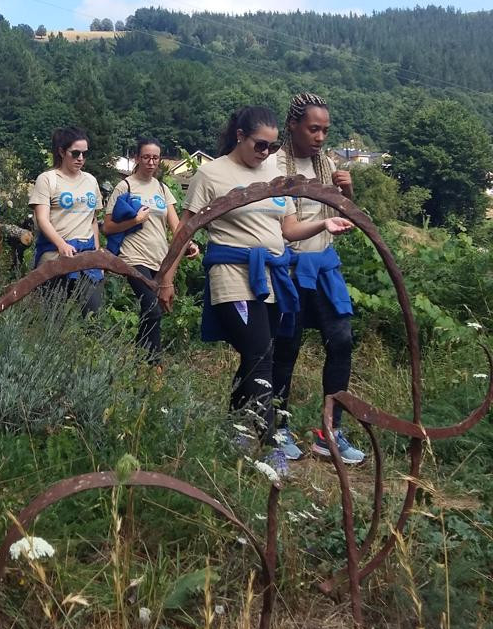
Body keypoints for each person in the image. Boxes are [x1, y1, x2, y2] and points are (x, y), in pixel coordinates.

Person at [158, 105, 353, 472]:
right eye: (259, 145)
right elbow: (185, 229)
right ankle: (269, 445)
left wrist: (324, 227)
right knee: (260, 353)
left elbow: (289, 229)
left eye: (271, 145)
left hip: (273, 279)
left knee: (257, 355)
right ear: (240, 137)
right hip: (233, 274)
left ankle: (235, 428)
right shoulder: (212, 173)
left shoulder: (275, 174)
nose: (265, 152)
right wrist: (165, 278)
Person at [271, 91, 365, 465]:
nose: (320, 137)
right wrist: (323, 221)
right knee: (286, 349)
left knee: (341, 340)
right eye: (314, 129)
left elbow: (349, 216)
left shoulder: (326, 165)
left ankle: (330, 431)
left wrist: (347, 192)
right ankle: (276, 426)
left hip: (324, 267)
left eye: (325, 130)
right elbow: (284, 226)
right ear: (293, 125)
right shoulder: (275, 165)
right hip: (289, 269)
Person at [103, 136, 199, 363]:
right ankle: (153, 364)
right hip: (133, 256)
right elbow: (107, 227)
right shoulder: (124, 186)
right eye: (146, 157)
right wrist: (136, 220)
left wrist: (189, 244)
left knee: (152, 312)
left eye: (155, 157)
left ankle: (140, 362)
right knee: (152, 309)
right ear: (137, 158)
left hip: (159, 258)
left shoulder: (162, 189)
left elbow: (176, 226)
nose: (151, 162)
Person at [29, 127, 103, 315]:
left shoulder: (91, 181)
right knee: (53, 317)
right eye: (75, 153)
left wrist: (96, 251)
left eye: (84, 154)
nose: (80, 158)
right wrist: (61, 245)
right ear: (62, 152)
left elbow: (93, 219)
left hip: (86, 255)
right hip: (55, 254)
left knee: (92, 314)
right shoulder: (47, 179)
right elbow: (42, 219)